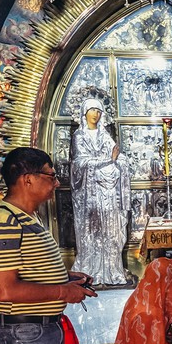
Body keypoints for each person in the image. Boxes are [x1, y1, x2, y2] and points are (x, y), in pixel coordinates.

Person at [0, 147, 96, 344]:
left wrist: (66, 279)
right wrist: (62, 291)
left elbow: (27, 272)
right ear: (27, 178)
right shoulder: (4, 220)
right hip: (24, 333)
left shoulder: (28, 218)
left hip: (44, 328)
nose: (56, 183)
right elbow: (5, 289)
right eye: (51, 176)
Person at [70, 98, 131, 285]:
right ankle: (90, 270)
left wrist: (118, 162)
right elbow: (79, 163)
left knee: (110, 231)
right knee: (92, 232)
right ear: (84, 113)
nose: (96, 114)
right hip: (90, 195)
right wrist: (107, 161)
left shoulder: (104, 135)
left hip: (108, 194)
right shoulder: (79, 136)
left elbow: (118, 157)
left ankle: (112, 269)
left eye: (99, 110)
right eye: (92, 110)